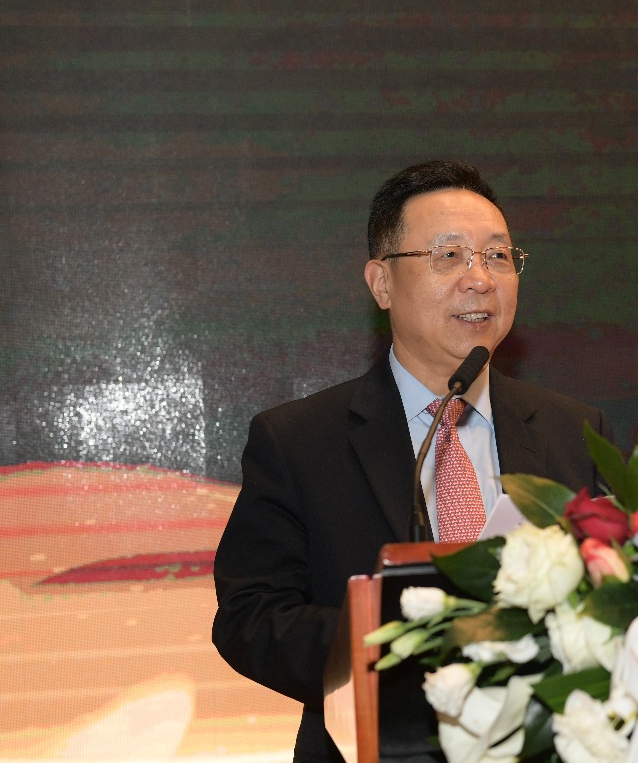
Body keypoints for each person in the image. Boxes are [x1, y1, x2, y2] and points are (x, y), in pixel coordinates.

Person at [212, 160, 612, 763]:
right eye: (449, 256)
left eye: (498, 256)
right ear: (382, 283)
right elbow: (251, 617)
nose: (480, 279)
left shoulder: (574, 432)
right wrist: (393, 640)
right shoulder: (299, 441)